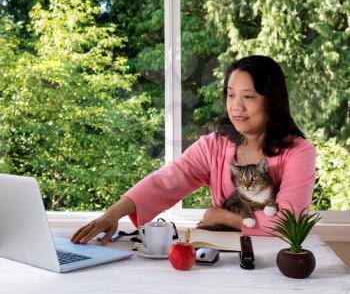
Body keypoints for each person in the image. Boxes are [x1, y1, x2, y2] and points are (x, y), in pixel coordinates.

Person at [71, 55, 316, 245]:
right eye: (230, 95)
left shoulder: (299, 152)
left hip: (273, 263)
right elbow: (166, 181)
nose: (236, 106)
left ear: (271, 100)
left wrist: (221, 216)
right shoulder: (215, 144)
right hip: (221, 255)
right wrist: (112, 214)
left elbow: (288, 223)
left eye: (249, 97)